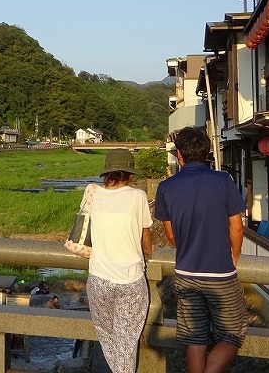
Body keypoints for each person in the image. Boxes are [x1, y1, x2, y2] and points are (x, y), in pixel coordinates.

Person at [154, 126, 247, 373]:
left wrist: (187, 247)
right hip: (221, 274)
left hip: (186, 272)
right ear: (206, 153)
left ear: (179, 155)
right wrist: (234, 256)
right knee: (231, 334)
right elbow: (237, 228)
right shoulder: (222, 180)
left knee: (195, 339)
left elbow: (172, 235)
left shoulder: (166, 187)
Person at [84, 150, 154, 373]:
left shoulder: (93, 194)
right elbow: (146, 236)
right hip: (131, 280)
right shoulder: (138, 197)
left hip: (99, 280)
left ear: (107, 173)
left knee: (107, 336)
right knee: (126, 342)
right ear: (130, 175)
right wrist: (149, 250)